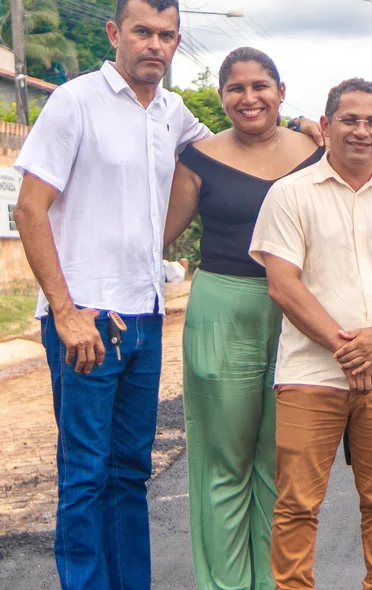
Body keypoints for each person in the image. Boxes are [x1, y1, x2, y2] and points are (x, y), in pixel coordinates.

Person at [11, 2, 210, 586]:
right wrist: (66, 313)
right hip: (87, 318)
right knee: (85, 473)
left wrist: (299, 127)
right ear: (114, 33)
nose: (155, 44)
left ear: (177, 42)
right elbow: (29, 208)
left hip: (145, 315)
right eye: (142, 32)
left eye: (166, 35)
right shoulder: (75, 102)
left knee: (130, 471)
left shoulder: (174, 112)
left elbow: (226, 151)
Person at [250, 78, 372, 590]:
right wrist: (346, 347)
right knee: (298, 505)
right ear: (325, 126)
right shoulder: (288, 194)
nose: (361, 130)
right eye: (349, 120)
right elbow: (283, 284)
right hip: (310, 375)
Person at [164, 47, 322, 590]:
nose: (249, 97)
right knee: (223, 461)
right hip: (222, 309)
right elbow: (157, 235)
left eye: (261, 86)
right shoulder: (198, 158)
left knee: (283, 462)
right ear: (222, 96)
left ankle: (277, 582)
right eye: (236, 88)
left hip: (299, 311)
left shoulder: (315, 150)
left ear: (281, 90)